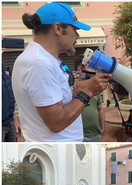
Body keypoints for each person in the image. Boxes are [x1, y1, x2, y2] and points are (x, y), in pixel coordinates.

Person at [11, 3, 111, 142]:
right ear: (58, 28)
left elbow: (70, 89)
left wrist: (111, 75)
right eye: (74, 29)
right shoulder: (39, 63)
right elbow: (56, 123)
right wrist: (88, 91)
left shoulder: (47, 59)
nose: (77, 35)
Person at [74, 57, 105, 142]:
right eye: (90, 66)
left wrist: (102, 127)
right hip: (77, 135)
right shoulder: (70, 85)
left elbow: (100, 109)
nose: (93, 70)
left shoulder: (96, 87)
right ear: (80, 68)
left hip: (95, 134)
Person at [2, 62, 22, 142]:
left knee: (12, 153)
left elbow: (8, 96)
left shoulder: (3, 66)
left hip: (10, 123)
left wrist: (15, 120)